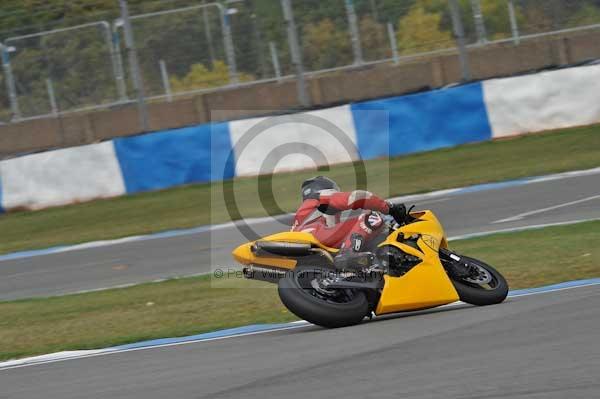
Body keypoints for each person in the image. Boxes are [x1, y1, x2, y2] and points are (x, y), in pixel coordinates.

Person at [292, 176, 407, 269]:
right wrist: (389, 208)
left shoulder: (304, 216)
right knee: (371, 217)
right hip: (316, 237)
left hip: (310, 249)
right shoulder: (320, 196)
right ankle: (348, 252)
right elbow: (358, 197)